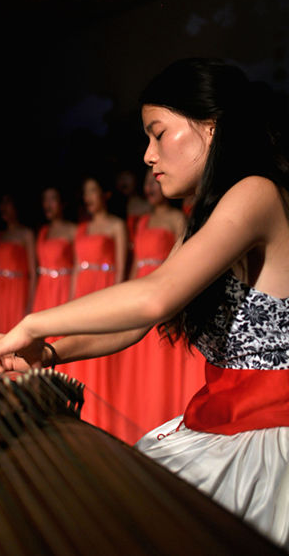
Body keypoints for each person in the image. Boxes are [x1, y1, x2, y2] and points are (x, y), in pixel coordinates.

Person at [0, 57, 289, 548]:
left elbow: (154, 297)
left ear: (211, 127)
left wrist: (32, 324)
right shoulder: (206, 216)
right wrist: (49, 351)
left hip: (270, 430)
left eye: (158, 134)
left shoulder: (257, 192)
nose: (148, 155)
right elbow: (137, 322)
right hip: (224, 419)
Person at [112, 168, 205, 443]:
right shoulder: (141, 222)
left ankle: (163, 424)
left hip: (165, 294)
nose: (151, 187)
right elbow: (134, 266)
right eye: (147, 183)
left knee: (162, 366)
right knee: (140, 367)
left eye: (154, 181)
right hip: (142, 294)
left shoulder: (177, 219)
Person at [57, 172, 129, 431]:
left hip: (105, 290)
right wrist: (70, 303)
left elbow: (120, 269)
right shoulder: (81, 229)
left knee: (102, 355)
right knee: (79, 351)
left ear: (105, 195)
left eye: (93, 191)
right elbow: (77, 268)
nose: (88, 197)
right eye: (85, 192)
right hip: (83, 292)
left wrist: (118, 302)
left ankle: (102, 418)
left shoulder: (116, 225)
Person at [0, 193, 36, 372]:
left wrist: (30, 303)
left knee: (14, 336)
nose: (3, 208)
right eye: (1, 204)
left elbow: (33, 272)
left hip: (17, 291)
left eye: (8, 203)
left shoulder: (26, 234)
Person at [32, 185, 77, 342]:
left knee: (60, 337)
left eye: (53, 199)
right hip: (44, 289)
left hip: (63, 288)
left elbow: (78, 265)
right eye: (45, 200)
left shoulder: (73, 230)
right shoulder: (43, 231)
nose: (48, 204)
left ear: (62, 203)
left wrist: (73, 296)